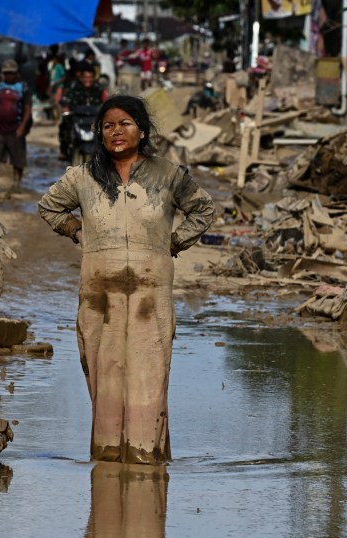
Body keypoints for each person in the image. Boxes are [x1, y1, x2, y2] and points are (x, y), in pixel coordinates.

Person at [37, 95, 215, 464]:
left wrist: (174, 243)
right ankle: (106, 464)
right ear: (99, 134)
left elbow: (203, 209)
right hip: (99, 296)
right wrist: (77, 231)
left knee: (149, 377)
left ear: (142, 130)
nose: (116, 132)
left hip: (151, 297)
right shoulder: (83, 177)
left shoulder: (168, 175)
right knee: (106, 379)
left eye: (125, 124)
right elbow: (48, 206)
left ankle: (145, 461)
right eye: (108, 126)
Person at [0, 59, 32, 189]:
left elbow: (27, 108)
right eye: (6, 73)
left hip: (15, 128)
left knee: (18, 159)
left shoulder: (22, 87)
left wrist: (22, 126)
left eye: (11, 73)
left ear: (16, 73)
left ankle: (16, 183)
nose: (9, 76)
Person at [57, 61, 108, 161]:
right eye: (85, 77)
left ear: (94, 77)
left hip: (94, 121)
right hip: (77, 120)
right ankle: (64, 151)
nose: (88, 80)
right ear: (81, 77)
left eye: (90, 77)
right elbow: (66, 99)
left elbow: (106, 101)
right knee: (64, 126)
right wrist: (65, 107)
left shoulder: (99, 88)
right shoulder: (74, 87)